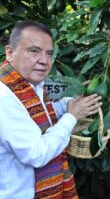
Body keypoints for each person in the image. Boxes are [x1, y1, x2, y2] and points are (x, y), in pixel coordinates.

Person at [0, 20, 101, 198]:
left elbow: (48, 109)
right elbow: (37, 154)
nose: (44, 61)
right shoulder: (4, 98)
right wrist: (72, 116)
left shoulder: (32, 86)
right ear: (10, 53)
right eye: (34, 51)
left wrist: (76, 100)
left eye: (49, 54)